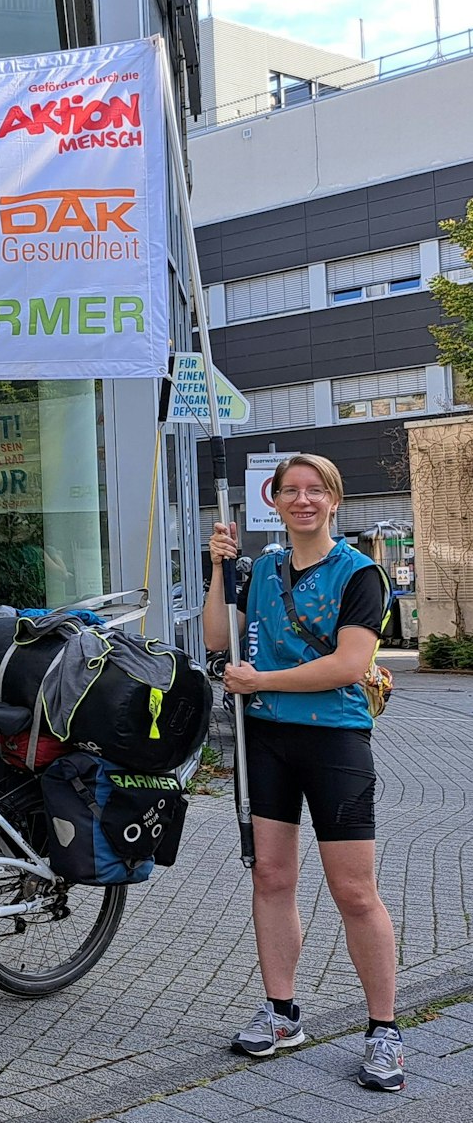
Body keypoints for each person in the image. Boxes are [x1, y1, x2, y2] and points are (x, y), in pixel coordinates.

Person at [203, 453, 403, 1092]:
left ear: (334, 499)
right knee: (271, 875)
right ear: (277, 502)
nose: (303, 500)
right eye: (291, 490)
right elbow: (216, 639)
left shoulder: (360, 574)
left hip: (336, 742)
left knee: (353, 889)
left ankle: (384, 1030)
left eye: (315, 490)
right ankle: (283, 1013)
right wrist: (217, 571)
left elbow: (348, 665)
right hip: (268, 742)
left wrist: (261, 680)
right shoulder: (260, 569)